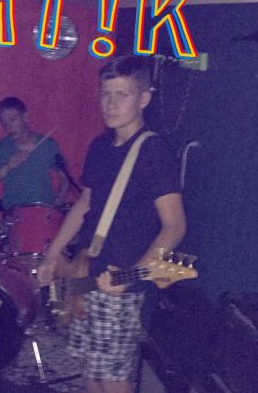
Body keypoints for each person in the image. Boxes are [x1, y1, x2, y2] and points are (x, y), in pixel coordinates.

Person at [37, 56, 186, 393]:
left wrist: (131, 276)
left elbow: (175, 227)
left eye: (122, 94)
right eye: (106, 94)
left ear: (144, 98)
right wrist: (53, 254)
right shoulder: (100, 146)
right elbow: (84, 205)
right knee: (90, 371)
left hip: (120, 282)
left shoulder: (153, 152)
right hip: (86, 271)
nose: (111, 104)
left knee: (114, 380)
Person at [0, 96, 69, 211]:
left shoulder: (48, 144)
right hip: (13, 212)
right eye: (4, 123)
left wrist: (57, 203)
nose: (9, 127)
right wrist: (9, 166)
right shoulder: (0, 148)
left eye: (12, 120)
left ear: (25, 117)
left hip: (44, 210)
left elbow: (65, 177)